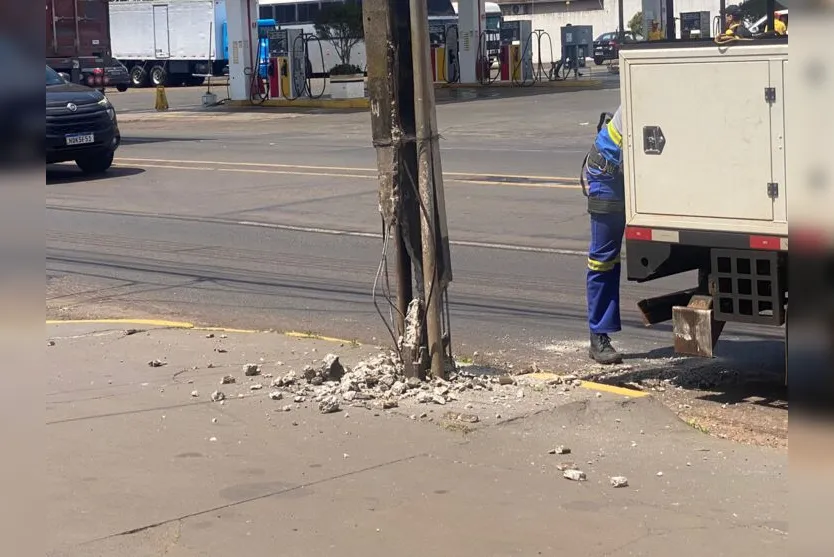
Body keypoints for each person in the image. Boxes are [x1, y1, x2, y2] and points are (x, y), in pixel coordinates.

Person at [581, 107, 626, 365]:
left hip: (625, 169)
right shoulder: (643, 94)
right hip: (607, 173)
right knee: (603, 258)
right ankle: (598, 336)